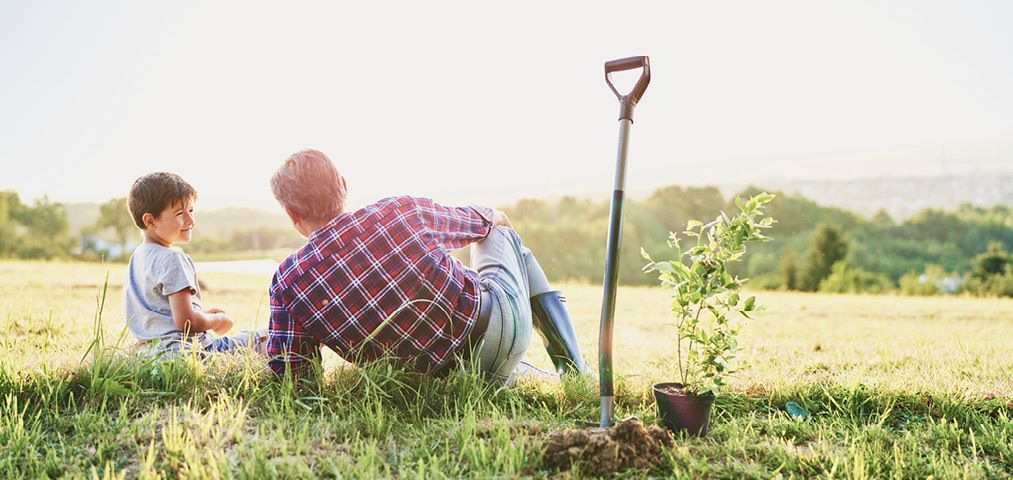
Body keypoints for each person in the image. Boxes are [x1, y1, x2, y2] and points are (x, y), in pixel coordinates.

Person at [267, 149, 586, 382]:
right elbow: (485, 221)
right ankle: (573, 370)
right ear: (344, 185)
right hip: (495, 330)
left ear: (292, 215)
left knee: (484, 365)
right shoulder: (398, 211)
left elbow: (295, 376)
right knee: (499, 230)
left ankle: (509, 374)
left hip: (428, 383)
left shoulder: (287, 282)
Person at [124, 172, 266, 357]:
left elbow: (160, 314)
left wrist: (203, 314)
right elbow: (187, 323)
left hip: (150, 355)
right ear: (150, 220)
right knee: (264, 337)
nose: (191, 221)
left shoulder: (138, 257)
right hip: (189, 353)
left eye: (191, 211)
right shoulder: (172, 258)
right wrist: (217, 320)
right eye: (180, 214)